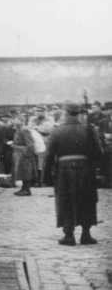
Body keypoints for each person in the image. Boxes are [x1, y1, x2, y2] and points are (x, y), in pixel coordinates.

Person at [44, 102, 102, 245]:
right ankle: (86, 234)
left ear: (65, 113)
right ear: (79, 113)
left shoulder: (57, 131)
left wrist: (46, 176)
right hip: (85, 169)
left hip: (64, 170)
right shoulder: (89, 129)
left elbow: (49, 156)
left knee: (66, 200)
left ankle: (69, 235)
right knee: (86, 199)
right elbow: (99, 153)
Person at [12, 116, 37, 196]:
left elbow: (30, 145)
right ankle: (24, 188)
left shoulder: (24, 130)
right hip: (20, 154)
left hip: (25, 155)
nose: (14, 122)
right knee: (22, 172)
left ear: (22, 121)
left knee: (26, 172)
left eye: (17, 120)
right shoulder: (18, 130)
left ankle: (27, 190)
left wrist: (16, 147)